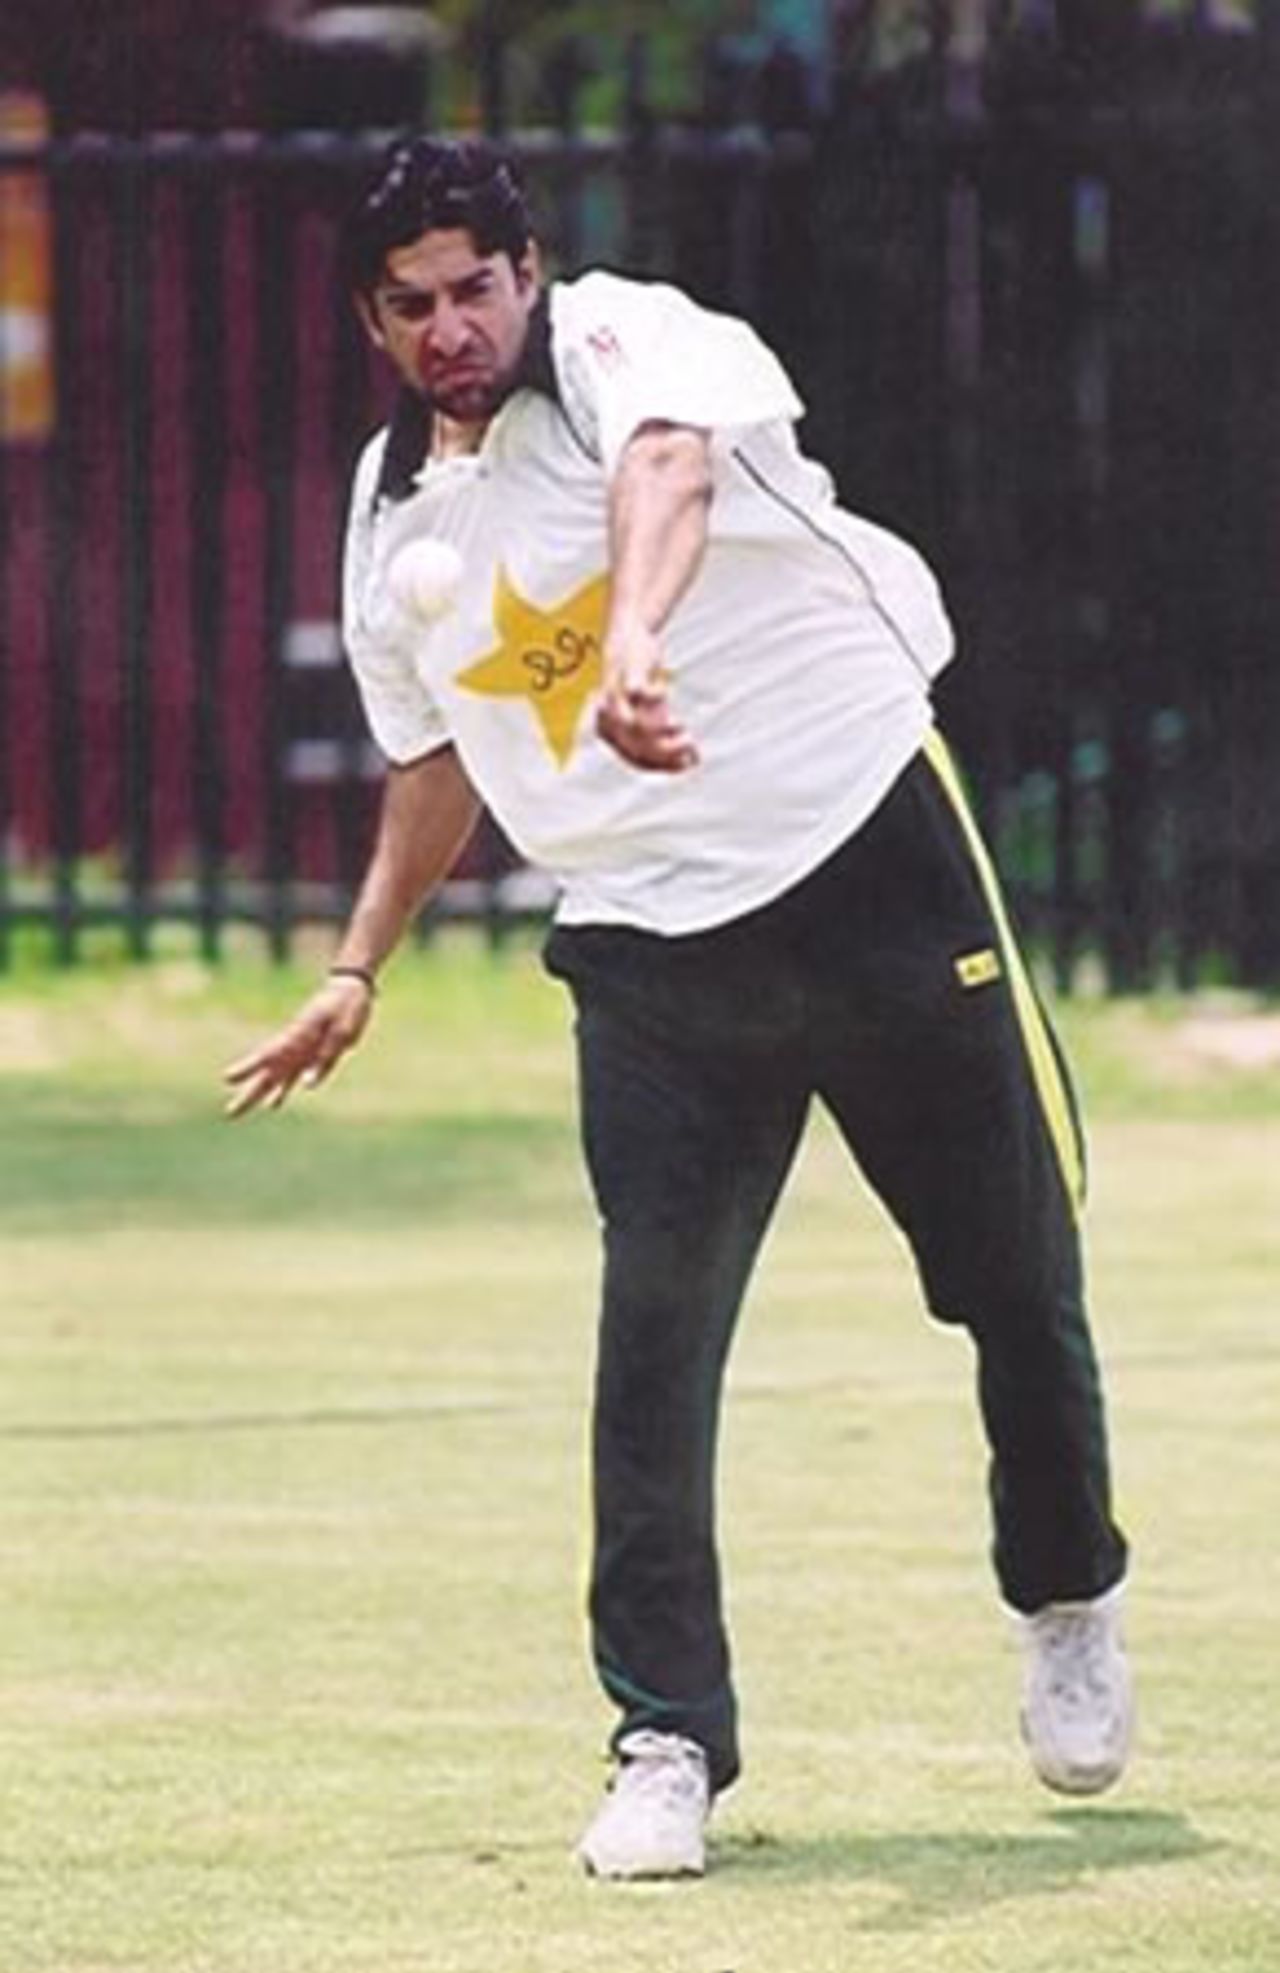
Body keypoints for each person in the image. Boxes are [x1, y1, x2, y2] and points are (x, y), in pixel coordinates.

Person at [224, 135, 1133, 1880]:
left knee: (1014, 1278)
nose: (452, 327)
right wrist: (356, 964)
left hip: (867, 842)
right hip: (649, 944)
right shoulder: (396, 514)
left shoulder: (634, 341)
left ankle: (1069, 1587)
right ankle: (665, 1739)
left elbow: (669, 476)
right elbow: (433, 758)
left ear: (528, 270)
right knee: (652, 1346)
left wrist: (635, 638)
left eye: (475, 287)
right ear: (373, 322)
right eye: (410, 305)